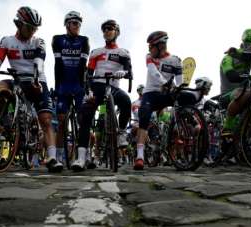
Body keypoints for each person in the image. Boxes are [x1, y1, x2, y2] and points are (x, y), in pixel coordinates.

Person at [0, 6, 62, 172]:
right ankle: (0, 120)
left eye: (35, 28)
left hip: (36, 79)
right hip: (17, 80)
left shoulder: (38, 41)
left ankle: (52, 157)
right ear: (18, 24)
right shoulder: (7, 41)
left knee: (46, 120)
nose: (32, 31)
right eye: (29, 27)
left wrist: (36, 79)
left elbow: (39, 62)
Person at [71, 19, 133, 171]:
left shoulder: (123, 52)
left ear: (116, 31)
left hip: (113, 86)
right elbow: (88, 74)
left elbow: (129, 71)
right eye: (104, 29)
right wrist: (88, 91)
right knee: (86, 116)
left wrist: (123, 72)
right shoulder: (96, 52)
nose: (106, 31)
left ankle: (122, 132)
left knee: (126, 101)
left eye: (110, 28)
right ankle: (81, 158)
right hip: (97, 85)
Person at [134, 31, 184, 170]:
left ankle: (180, 130)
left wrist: (178, 88)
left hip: (167, 94)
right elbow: (153, 72)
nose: (149, 49)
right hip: (151, 93)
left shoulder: (175, 60)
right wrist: (165, 83)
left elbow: (180, 82)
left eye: (151, 46)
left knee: (184, 98)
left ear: (161, 45)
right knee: (144, 113)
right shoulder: (149, 57)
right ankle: (139, 156)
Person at [52, 11, 89, 167]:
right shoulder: (57, 40)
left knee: (83, 120)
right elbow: (58, 65)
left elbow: (83, 66)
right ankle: (59, 157)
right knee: (61, 122)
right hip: (64, 85)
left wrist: (84, 88)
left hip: (79, 85)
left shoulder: (84, 40)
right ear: (67, 24)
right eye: (74, 23)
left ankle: (84, 156)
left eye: (79, 24)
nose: (77, 26)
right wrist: (57, 87)